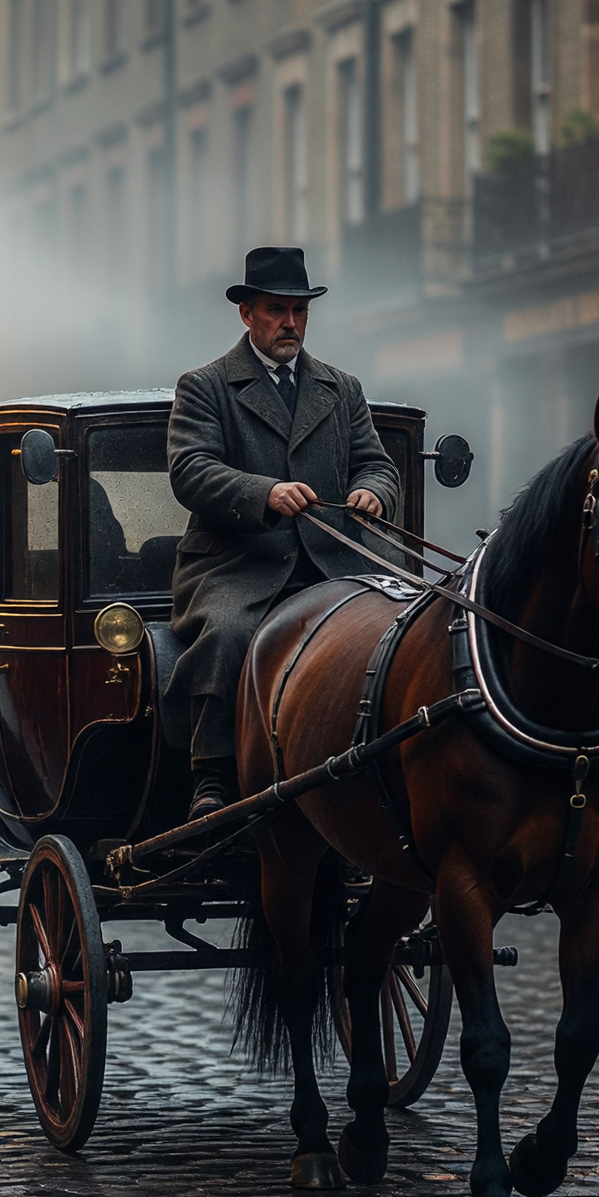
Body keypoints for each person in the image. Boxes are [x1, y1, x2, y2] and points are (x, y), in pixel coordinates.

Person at [164, 247, 398, 820]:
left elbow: (378, 464)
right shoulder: (205, 386)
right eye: (276, 310)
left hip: (333, 568)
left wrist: (373, 492)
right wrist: (263, 493)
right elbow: (190, 470)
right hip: (238, 566)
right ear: (247, 314)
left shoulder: (341, 388)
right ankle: (212, 777)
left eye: (299, 310)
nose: (290, 323)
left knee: (406, 628)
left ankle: (387, 770)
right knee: (225, 632)